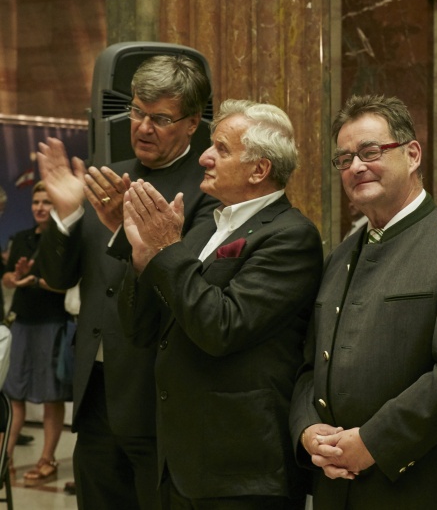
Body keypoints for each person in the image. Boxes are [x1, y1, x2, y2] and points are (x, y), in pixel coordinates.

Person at [290, 94, 437, 510]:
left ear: (413, 154)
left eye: (370, 152)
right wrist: (307, 432)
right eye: (344, 158)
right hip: (338, 486)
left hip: (425, 486)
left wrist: (371, 442)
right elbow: (307, 367)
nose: (355, 167)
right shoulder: (338, 258)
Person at [118, 100, 322, 508]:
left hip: (241, 469)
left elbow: (222, 328)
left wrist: (167, 250)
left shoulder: (290, 236)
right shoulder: (200, 230)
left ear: (259, 169)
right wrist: (142, 260)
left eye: (221, 149)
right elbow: (141, 329)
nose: (205, 157)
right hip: (181, 459)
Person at [35, 54, 218, 509]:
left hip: (157, 398)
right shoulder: (108, 174)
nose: (142, 127)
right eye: (137, 112)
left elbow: (183, 290)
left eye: (160, 118)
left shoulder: (206, 190)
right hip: (95, 396)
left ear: (193, 122)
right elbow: (57, 280)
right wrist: (66, 214)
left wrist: (122, 231)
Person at [1, 181, 71, 486]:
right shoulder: (20, 238)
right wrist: (15, 277)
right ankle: (5, 459)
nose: (40, 207)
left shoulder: (64, 239)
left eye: (46, 201)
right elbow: (6, 279)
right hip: (22, 322)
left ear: (56, 205)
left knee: (50, 397)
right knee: (12, 394)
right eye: (36, 202)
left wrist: (34, 281)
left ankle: (47, 459)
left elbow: (66, 282)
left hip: (52, 322)